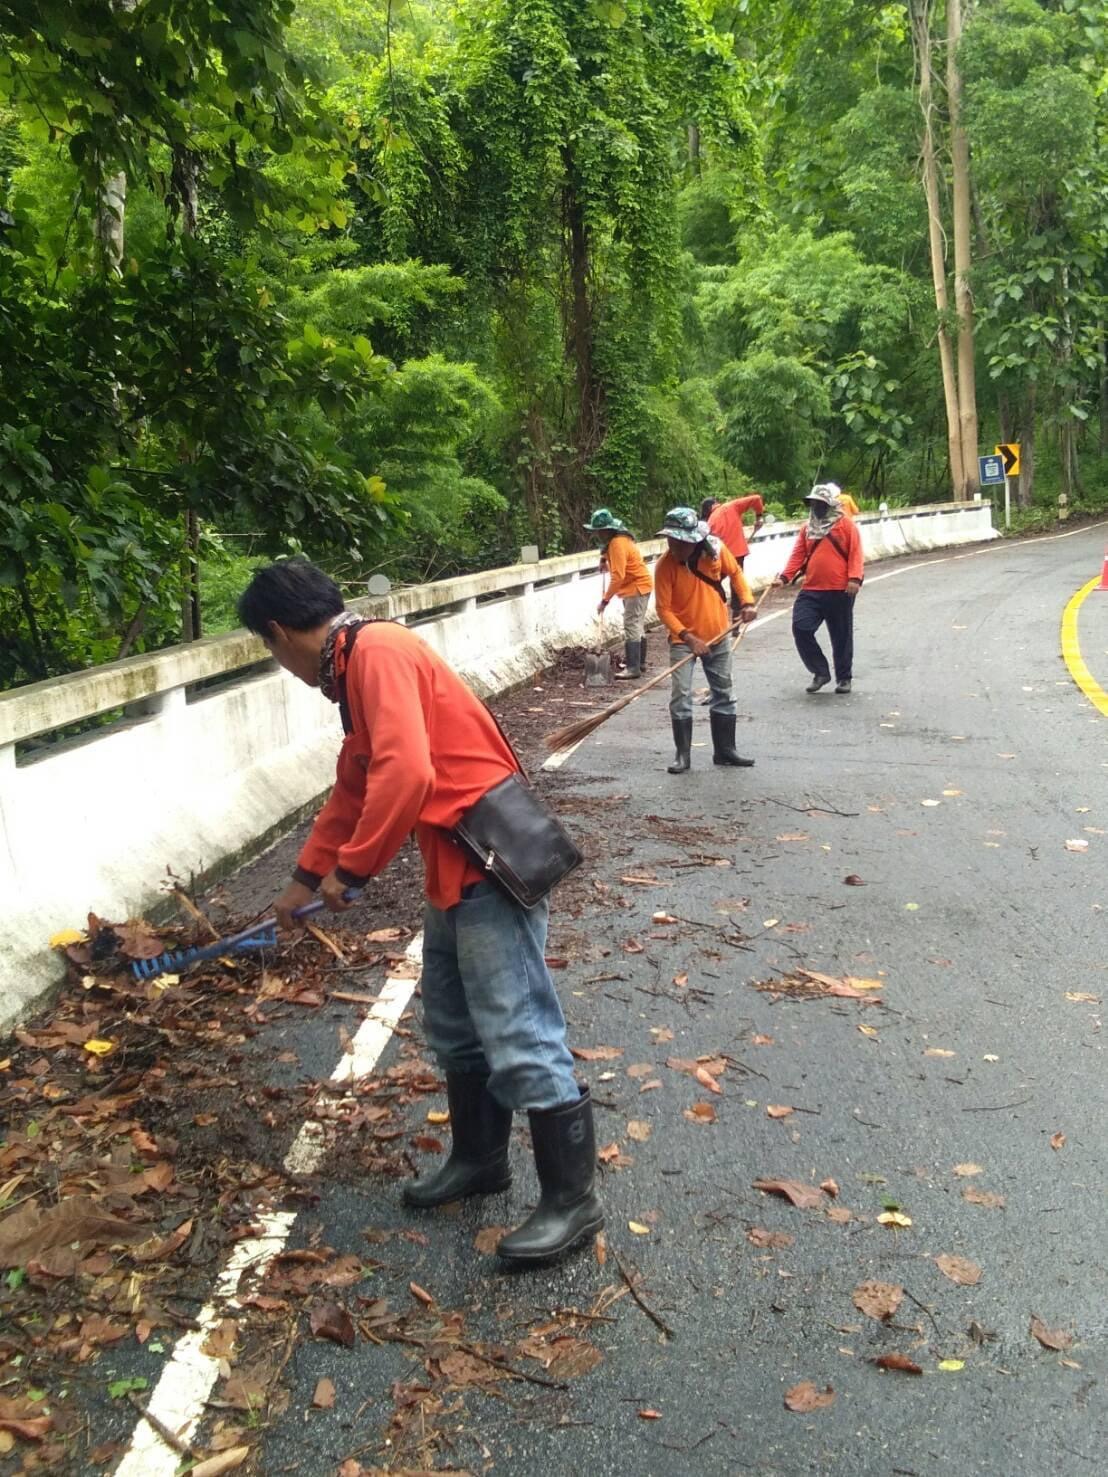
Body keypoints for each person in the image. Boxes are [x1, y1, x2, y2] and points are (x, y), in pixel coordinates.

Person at [236, 558, 602, 1265]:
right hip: (451, 865)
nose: (279, 662)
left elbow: (406, 772)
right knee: (455, 1026)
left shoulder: (376, 652)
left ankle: (573, 1200)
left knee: (519, 1029)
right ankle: (480, 1159)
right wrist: (303, 880)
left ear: (278, 633)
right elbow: (355, 783)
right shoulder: (355, 663)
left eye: (269, 649)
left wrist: (354, 869)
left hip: (488, 863)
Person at [653, 507, 758, 774]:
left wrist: (747, 602)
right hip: (683, 640)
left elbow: (736, 574)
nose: (675, 547)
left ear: (695, 540)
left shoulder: (716, 551)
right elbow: (663, 609)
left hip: (718, 634)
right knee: (681, 695)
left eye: (681, 542)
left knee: (724, 692)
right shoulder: (665, 566)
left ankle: (725, 751)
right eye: (671, 541)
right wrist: (688, 637)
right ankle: (682, 756)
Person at [774, 484, 863, 694]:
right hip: (812, 589)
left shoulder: (846, 525)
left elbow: (856, 553)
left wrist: (854, 578)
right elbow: (798, 555)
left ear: (829, 504)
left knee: (841, 636)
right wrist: (785, 577)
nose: (816, 507)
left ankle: (844, 678)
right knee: (801, 628)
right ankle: (820, 671)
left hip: (840, 589)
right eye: (813, 503)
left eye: (820, 503)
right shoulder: (807, 528)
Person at [585, 507, 653, 679]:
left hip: (636, 586)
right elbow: (606, 550)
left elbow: (618, 577)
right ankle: (640, 664)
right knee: (637, 624)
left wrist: (605, 601)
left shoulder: (617, 544)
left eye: (599, 531)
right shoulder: (616, 539)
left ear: (606, 530)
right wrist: (603, 560)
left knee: (631, 625)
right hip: (637, 585)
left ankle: (633, 668)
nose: (597, 534)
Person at [700, 492, 765, 581]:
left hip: (722, 557)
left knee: (714, 583)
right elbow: (757, 498)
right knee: (737, 583)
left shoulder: (710, 522)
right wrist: (759, 517)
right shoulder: (732, 506)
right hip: (738, 554)